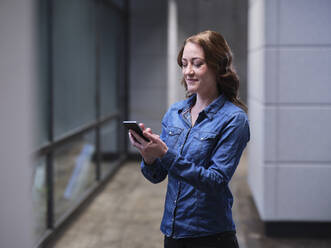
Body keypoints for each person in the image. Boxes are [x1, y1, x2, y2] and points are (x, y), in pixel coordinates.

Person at [128, 30, 250, 248]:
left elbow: (215, 181)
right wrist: (149, 157)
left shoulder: (234, 119)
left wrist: (166, 154)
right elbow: (156, 176)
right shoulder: (175, 113)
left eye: (197, 63)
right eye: (184, 64)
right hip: (173, 233)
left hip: (211, 236)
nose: (188, 71)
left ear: (217, 67)